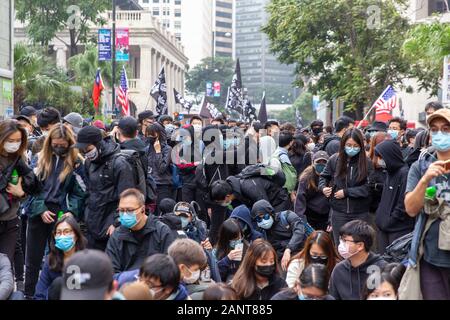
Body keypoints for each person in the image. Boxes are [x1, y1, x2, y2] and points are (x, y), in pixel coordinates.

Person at [24, 124, 86, 298]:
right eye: (55, 144)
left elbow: (80, 192)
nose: (59, 147)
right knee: (33, 259)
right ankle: (30, 294)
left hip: (61, 213)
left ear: (69, 143)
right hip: (39, 211)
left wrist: (72, 212)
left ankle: (67, 292)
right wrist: (40, 208)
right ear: (50, 142)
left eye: (62, 144)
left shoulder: (76, 161)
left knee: (62, 255)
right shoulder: (39, 158)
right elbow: (31, 188)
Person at [403, 108, 450, 300]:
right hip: (430, 257)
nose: (440, 134)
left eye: (446, 129)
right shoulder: (420, 166)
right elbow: (411, 209)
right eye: (435, 129)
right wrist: (425, 179)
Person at [74, 126, 136, 250]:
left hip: (111, 229)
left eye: (89, 148)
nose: (86, 153)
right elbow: (89, 192)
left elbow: (128, 197)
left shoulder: (119, 164)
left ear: (98, 144)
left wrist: (117, 223)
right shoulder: (88, 163)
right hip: (92, 227)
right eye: (83, 150)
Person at [319, 128, 373, 245]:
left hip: (360, 212)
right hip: (339, 212)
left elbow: (368, 188)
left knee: (358, 245)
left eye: (355, 145)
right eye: (348, 145)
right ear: (343, 144)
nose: (351, 148)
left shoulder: (366, 162)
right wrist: (323, 188)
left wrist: (347, 192)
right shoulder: (334, 160)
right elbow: (323, 176)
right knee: (341, 247)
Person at [106, 188, 175, 274]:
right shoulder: (117, 235)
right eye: (121, 210)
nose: (124, 214)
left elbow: (170, 268)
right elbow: (111, 270)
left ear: (142, 209)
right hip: (126, 285)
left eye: (130, 210)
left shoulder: (161, 232)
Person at [0, 120, 35, 266]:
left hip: (11, 220)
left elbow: (28, 187)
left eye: (18, 141)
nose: (14, 144)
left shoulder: (19, 158)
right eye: (10, 140)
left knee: (6, 264)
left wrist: (21, 192)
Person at [329, 220, 387, 300]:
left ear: (360, 246)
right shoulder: (339, 270)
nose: (341, 244)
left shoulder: (383, 269)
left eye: (345, 240)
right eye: (341, 239)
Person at [374, 140, 415, 253]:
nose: (379, 160)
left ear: (389, 156)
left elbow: (402, 204)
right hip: (384, 228)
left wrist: (390, 220)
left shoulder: (405, 174)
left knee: (394, 266)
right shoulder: (389, 172)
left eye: (381, 157)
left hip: (398, 230)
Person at [34, 216, 87, 300]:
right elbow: (39, 294)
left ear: (76, 235)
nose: (62, 236)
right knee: (58, 283)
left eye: (66, 232)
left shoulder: (88, 260)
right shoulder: (50, 260)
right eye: (58, 233)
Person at [250, 200, 306, 271]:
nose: (263, 221)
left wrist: (288, 249)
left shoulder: (287, 216)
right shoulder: (262, 232)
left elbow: (299, 231)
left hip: (301, 250)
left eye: (266, 217)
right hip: (282, 259)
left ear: (271, 213)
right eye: (259, 219)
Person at [210, 167, 290, 213]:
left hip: (279, 200)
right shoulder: (234, 194)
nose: (220, 204)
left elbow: (265, 208)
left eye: (219, 202)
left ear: (227, 196)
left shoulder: (249, 187)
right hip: (269, 201)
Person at [295, 151, 330, 231]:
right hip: (310, 216)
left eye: (324, 162)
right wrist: (302, 221)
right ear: (313, 163)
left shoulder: (331, 177)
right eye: (318, 162)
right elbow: (300, 200)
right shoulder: (306, 178)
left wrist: (331, 220)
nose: (321, 164)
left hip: (326, 217)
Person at [146, 122, 173, 210]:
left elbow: (162, 168)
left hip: (163, 184)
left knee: (162, 210)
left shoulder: (167, 149)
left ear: (159, 134)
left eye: (152, 134)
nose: (150, 136)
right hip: (150, 185)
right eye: (148, 134)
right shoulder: (147, 149)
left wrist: (158, 152)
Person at [212, 219, 249, 283]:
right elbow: (215, 275)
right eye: (235, 239)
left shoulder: (247, 246)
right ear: (226, 239)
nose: (238, 240)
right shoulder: (216, 252)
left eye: (240, 237)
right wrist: (227, 260)